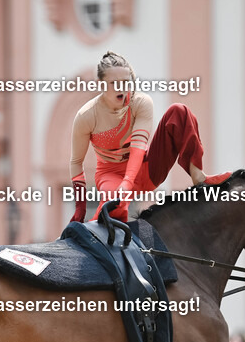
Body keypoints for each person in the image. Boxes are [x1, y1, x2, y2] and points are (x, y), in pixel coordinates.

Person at [68, 51, 226, 223]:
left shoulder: (140, 102)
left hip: (146, 169)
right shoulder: (86, 116)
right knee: (113, 204)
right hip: (111, 175)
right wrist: (80, 208)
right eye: (114, 83)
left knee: (179, 112)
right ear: (101, 84)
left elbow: (138, 147)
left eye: (125, 82)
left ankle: (198, 175)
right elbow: (76, 162)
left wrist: (128, 183)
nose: (121, 88)